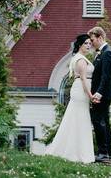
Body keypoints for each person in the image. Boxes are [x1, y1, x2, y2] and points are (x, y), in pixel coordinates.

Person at [44, 34, 95, 163]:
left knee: (77, 119)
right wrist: (90, 95)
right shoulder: (81, 60)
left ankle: (77, 151)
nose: (89, 46)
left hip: (79, 90)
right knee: (80, 119)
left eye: (90, 43)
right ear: (79, 45)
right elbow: (83, 78)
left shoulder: (78, 57)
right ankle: (78, 153)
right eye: (86, 43)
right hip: (81, 92)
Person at [88, 26, 111, 162]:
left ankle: (103, 152)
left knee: (99, 121)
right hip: (101, 93)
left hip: (103, 95)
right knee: (104, 122)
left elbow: (106, 76)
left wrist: (98, 93)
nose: (91, 43)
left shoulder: (108, 53)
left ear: (100, 37)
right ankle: (107, 153)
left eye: (92, 40)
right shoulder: (100, 53)